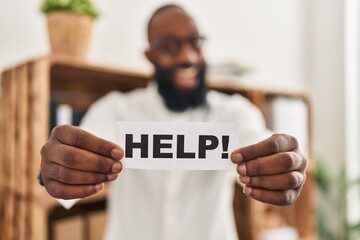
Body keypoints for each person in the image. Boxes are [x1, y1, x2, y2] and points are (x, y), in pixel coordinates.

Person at [40, 4, 307, 240]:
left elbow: (257, 140)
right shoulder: (116, 110)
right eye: (169, 46)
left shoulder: (232, 112)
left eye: (195, 43)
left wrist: (281, 161)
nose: (187, 57)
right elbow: (84, 146)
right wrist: (59, 166)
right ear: (150, 56)